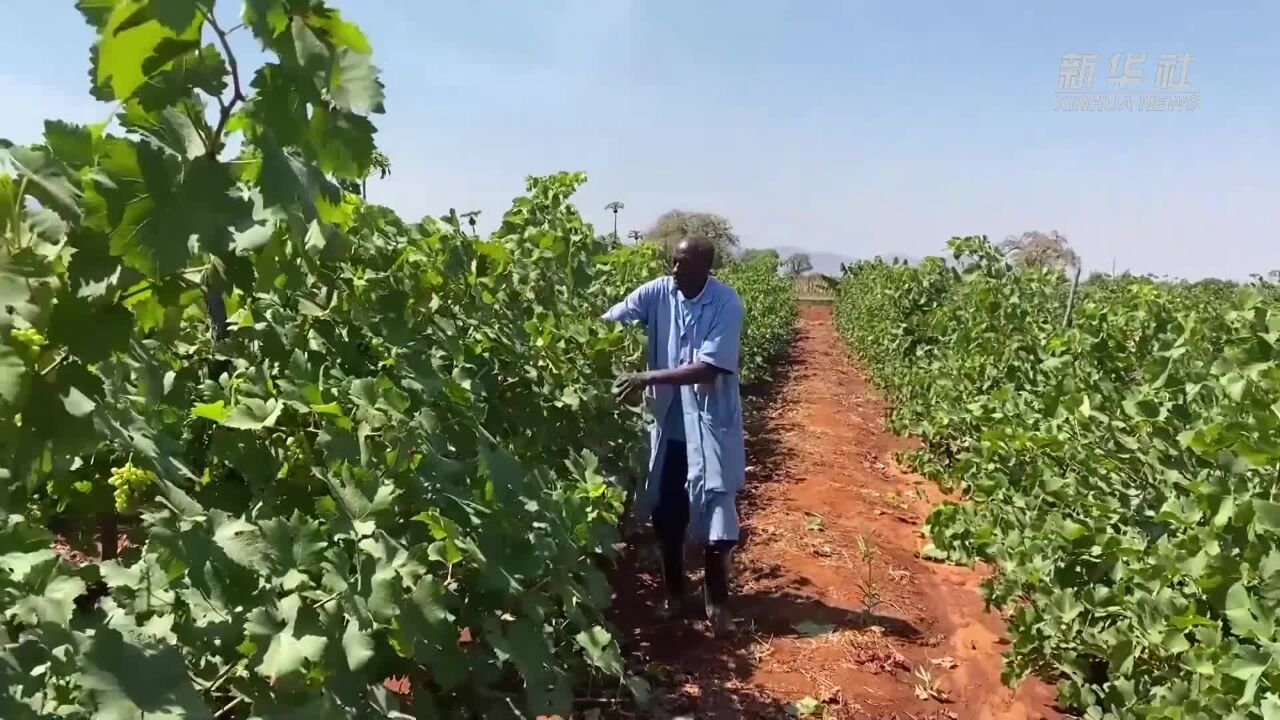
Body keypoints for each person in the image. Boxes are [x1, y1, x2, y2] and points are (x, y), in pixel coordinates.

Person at [601, 236, 746, 637]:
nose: (675, 270)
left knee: (718, 513)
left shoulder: (727, 305)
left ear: (705, 269)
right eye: (674, 262)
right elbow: (612, 320)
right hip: (669, 428)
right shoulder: (658, 292)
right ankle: (675, 596)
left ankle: (717, 604)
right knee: (668, 515)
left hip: (710, 425)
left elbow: (707, 369)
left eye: (683, 264)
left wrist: (646, 376)